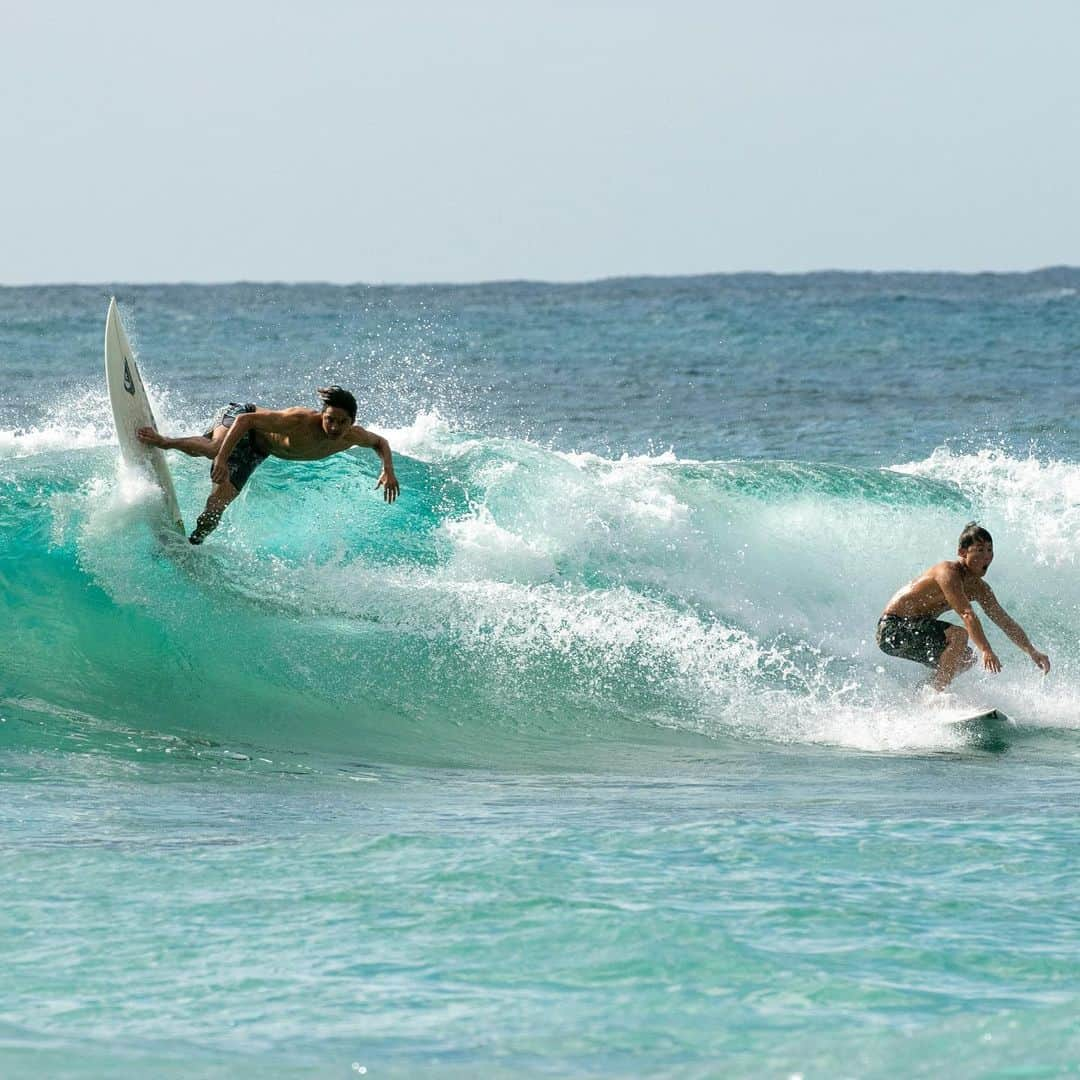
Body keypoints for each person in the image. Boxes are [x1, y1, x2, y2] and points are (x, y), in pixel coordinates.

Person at [137, 385, 399, 544]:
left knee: (214, 511)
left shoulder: (353, 436)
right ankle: (163, 441)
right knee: (214, 448)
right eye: (330, 419)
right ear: (323, 414)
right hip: (241, 416)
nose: (334, 427)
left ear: (352, 422)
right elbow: (246, 421)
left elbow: (381, 442)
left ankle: (194, 541)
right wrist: (221, 459)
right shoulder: (298, 420)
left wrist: (387, 469)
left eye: (342, 422)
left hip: (258, 448)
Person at [876, 522, 1050, 692]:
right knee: (959, 635)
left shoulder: (979, 588)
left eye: (989, 550)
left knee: (966, 658)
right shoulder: (947, 572)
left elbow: (1004, 620)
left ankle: (923, 691)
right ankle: (936, 695)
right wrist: (986, 649)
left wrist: (1032, 651)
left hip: (915, 630)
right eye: (980, 550)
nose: (986, 556)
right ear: (962, 552)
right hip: (892, 629)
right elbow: (967, 614)